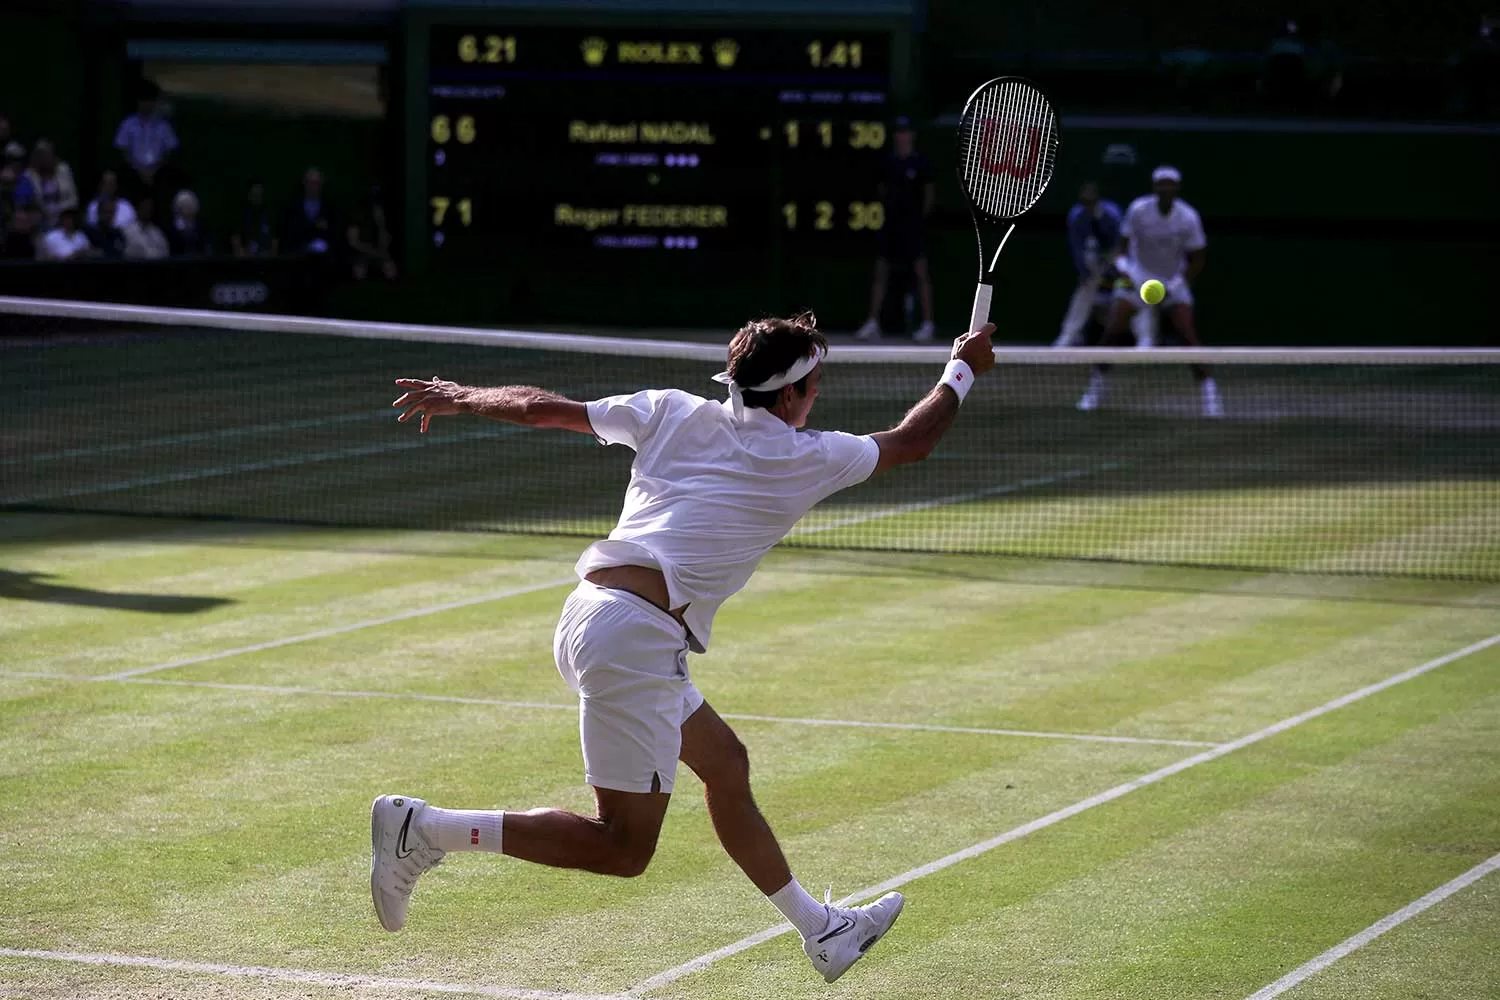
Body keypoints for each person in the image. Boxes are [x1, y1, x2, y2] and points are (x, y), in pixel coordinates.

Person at [376, 313, 999, 983]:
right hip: (634, 640)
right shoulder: (806, 456)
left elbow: (537, 408)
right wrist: (962, 369)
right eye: (815, 384)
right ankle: (426, 829)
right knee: (622, 848)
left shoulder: (668, 410)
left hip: (599, 616)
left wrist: (462, 394)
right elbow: (913, 441)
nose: (817, 396)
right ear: (791, 396)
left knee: (726, 765)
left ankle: (824, 932)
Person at [1076, 165, 1220, 417]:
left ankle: (1210, 397)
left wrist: (1176, 285)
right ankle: (1094, 391)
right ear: (1155, 188)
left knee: (1188, 335)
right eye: (1161, 184)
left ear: (1176, 188)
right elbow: (1121, 247)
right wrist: (1125, 271)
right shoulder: (1139, 210)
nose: (1165, 188)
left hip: (1173, 281)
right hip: (1136, 276)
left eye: (1170, 184)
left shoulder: (1188, 217)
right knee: (1113, 330)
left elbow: (1198, 258)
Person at [855, 116, 936, 342]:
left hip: (913, 228)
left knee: (921, 274)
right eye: (899, 132)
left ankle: (928, 324)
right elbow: (881, 190)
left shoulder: (921, 163)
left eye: (906, 132)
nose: (902, 136)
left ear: (912, 135)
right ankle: (873, 323)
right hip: (890, 226)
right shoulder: (887, 162)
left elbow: (929, 196)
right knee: (881, 272)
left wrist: (918, 221)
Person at [1054, 182, 1123, 348]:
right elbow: (1077, 246)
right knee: (1083, 295)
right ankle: (1069, 336)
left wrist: (1113, 268)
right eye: (1084, 201)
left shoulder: (1112, 214)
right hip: (1092, 260)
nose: (1088, 204)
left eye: (1091, 200)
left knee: (1127, 295)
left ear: (1098, 199)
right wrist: (1084, 271)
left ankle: (1144, 341)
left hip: (1115, 258)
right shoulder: (1077, 216)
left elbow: (1119, 243)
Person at [114, 80, 178, 203]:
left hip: (158, 173)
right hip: (133, 173)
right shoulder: (128, 124)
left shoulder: (164, 126)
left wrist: (153, 170)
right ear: (138, 102)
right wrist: (139, 170)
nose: (146, 105)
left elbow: (169, 151)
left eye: (150, 101)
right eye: (143, 101)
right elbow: (123, 150)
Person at [19, 140, 79, 230]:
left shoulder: (64, 170)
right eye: (41, 155)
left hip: (65, 217)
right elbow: (27, 202)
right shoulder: (28, 175)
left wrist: (61, 213)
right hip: (41, 221)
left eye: (47, 154)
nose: (44, 158)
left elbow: (73, 198)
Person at [347, 184, 397, 280]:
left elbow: (385, 243)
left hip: (380, 253)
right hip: (362, 253)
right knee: (359, 270)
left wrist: (381, 223)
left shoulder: (387, 217)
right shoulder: (359, 216)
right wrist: (374, 252)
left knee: (390, 267)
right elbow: (353, 242)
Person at [230, 180, 277, 257]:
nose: (257, 197)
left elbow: (274, 242)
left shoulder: (269, 215)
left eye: (259, 194)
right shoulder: (241, 215)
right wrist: (242, 253)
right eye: (254, 194)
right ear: (249, 195)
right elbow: (235, 240)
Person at [167, 189, 211, 256]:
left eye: (190, 204)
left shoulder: (201, 227)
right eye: (185, 204)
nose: (188, 207)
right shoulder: (171, 229)